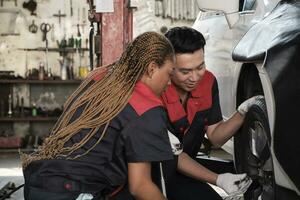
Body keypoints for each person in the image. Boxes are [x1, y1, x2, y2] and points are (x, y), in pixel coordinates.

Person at [22, 31, 176, 200]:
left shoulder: (99, 78)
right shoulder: (147, 108)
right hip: (72, 191)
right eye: (169, 73)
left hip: (39, 180)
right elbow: (140, 186)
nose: (170, 82)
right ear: (152, 68)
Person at [162, 26, 260, 200]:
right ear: (168, 67)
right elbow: (173, 156)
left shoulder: (208, 81)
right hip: (160, 170)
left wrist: (242, 112)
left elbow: (215, 137)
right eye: (185, 72)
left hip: (188, 162)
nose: (194, 77)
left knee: (249, 177)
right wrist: (218, 180)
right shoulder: (156, 90)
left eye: (200, 67)